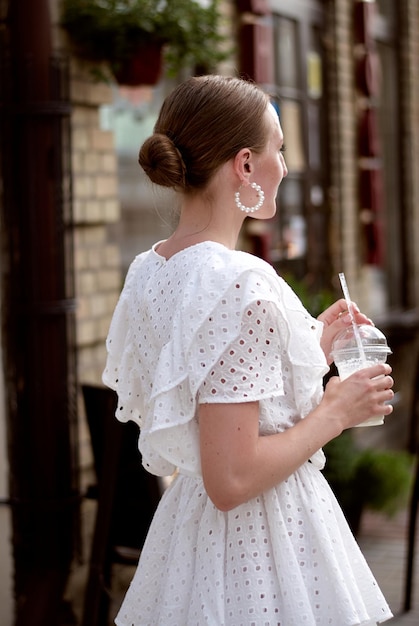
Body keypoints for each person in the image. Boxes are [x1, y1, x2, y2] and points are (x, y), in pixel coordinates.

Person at [103, 75, 395, 626]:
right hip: (264, 548)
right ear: (243, 165)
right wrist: (337, 411)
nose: (282, 167)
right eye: (277, 150)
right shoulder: (238, 281)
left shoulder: (151, 270)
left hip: (190, 543)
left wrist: (310, 346)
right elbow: (231, 477)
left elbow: (220, 394)